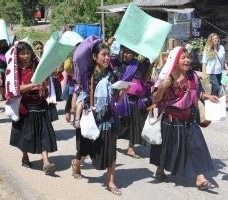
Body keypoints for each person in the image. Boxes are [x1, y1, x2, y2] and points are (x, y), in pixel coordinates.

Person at [150, 47, 219, 190]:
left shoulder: (193, 75)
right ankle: (160, 170)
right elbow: (156, 99)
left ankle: (200, 178)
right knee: (166, 149)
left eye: (188, 57)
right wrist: (163, 87)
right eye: (183, 57)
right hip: (171, 119)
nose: (187, 60)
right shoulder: (167, 76)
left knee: (196, 146)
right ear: (176, 59)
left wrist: (207, 96)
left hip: (189, 118)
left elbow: (196, 93)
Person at [71, 41, 127, 196]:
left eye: (108, 55)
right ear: (95, 56)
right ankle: (76, 164)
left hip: (107, 119)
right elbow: (80, 95)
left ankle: (111, 182)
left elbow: (116, 98)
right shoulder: (87, 75)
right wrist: (74, 113)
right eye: (103, 55)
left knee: (111, 152)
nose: (107, 58)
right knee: (84, 151)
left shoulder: (114, 74)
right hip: (90, 118)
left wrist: (123, 91)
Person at [7, 41, 57, 175]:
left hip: (40, 105)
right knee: (26, 135)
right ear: (18, 55)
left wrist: (44, 85)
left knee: (44, 133)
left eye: (28, 52)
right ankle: (25, 156)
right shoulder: (15, 70)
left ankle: (46, 162)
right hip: (25, 107)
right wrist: (34, 84)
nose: (26, 56)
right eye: (22, 53)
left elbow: (45, 81)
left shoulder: (37, 65)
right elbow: (17, 90)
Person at [116, 46, 150, 158]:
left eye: (128, 52)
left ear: (134, 54)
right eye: (123, 51)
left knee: (133, 124)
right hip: (120, 98)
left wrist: (151, 66)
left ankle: (131, 148)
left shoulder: (138, 65)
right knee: (118, 124)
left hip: (134, 99)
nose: (125, 54)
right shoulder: (118, 63)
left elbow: (144, 80)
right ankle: (109, 143)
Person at [32, 40, 59, 122]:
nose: (40, 50)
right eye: (37, 48)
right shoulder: (33, 61)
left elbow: (55, 72)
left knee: (48, 107)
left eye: (41, 48)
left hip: (49, 84)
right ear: (34, 50)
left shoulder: (46, 58)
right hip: (38, 86)